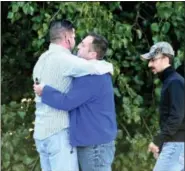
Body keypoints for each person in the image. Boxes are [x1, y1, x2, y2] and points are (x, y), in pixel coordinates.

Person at [33, 19, 113, 171]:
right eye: (77, 39)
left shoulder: (41, 60)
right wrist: (108, 66)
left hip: (41, 133)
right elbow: (96, 67)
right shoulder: (69, 61)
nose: (77, 44)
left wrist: (44, 91)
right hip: (58, 133)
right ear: (68, 38)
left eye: (82, 44)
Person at [141, 42, 185, 171]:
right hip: (175, 143)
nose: (150, 64)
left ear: (166, 59)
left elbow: (177, 116)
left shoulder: (175, 82)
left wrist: (159, 140)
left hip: (176, 144)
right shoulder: (171, 81)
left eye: (153, 60)